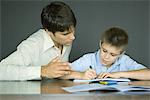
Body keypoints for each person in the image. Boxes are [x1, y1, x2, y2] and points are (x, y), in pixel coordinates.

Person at [0, 1, 76, 80]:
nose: (73, 37)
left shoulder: (67, 41)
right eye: (65, 34)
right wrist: (42, 71)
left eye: (73, 31)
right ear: (48, 31)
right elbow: (1, 71)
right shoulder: (33, 44)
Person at [61, 27, 147, 80]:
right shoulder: (88, 59)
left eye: (113, 55)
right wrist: (81, 75)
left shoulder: (124, 60)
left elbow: (148, 74)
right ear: (100, 44)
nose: (106, 57)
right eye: (104, 51)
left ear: (121, 54)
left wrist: (119, 74)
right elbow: (59, 74)